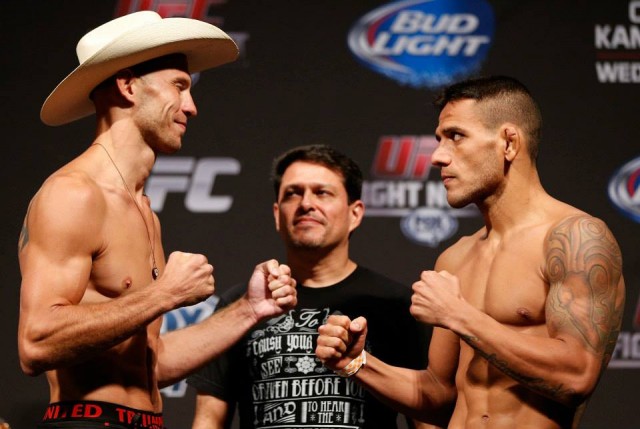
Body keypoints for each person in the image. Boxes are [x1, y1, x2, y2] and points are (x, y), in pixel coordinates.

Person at [17, 11, 297, 429]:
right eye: (179, 87)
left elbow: (151, 362)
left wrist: (249, 310)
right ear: (128, 86)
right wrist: (164, 294)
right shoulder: (74, 193)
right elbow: (35, 342)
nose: (192, 106)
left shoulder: (143, 209)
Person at [315, 76, 625, 429]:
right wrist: (357, 363)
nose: (437, 157)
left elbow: (576, 377)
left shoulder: (574, 238)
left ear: (508, 143)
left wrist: (461, 316)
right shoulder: (456, 258)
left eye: (456, 136)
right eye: (438, 139)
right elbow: (439, 395)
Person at [187, 145, 434, 429]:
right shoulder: (239, 308)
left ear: (355, 213)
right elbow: (208, 420)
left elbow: (426, 419)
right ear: (277, 214)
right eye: (293, 193)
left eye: (322, 192)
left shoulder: (396, 305)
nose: (306, 204)